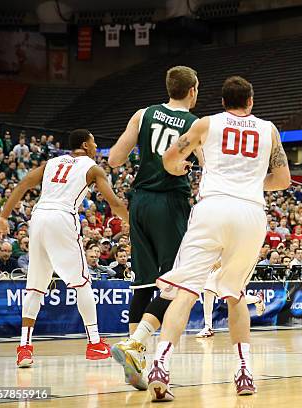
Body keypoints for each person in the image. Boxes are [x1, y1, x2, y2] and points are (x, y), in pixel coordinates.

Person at [147, 76, 290, 401]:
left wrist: (178, 168)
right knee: (235, 294)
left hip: (212, 208)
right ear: (250, 101)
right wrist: (253, 184)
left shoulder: (205, 123)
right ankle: (244, 372)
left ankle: (160, 364)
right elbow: (283, 179)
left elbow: (169, 158)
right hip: (250, 214)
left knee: (184, 291)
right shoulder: (268, 129)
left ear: (223, 101)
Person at [0, 129, 129, 367]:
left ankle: (24, 348)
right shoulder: (93, 168)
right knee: (82, 282)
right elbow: (114, 202)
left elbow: (24, 183)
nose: (96, 147)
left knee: (35, 286)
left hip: (38, 217)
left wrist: (4, 216)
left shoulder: (51, 163)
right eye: (95, 143)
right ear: (86, 145)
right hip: (63, 217)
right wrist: (132, 221)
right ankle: (95, 343)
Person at [109, 66, 200, 391]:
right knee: (176, 280)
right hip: (170, 202)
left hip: (140, 202)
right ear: (192, 91)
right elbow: (209, 165)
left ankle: (137, 359)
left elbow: (116, 158)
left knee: (144, 282)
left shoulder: (143, 114)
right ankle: (144, 352)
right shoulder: (194, 124)